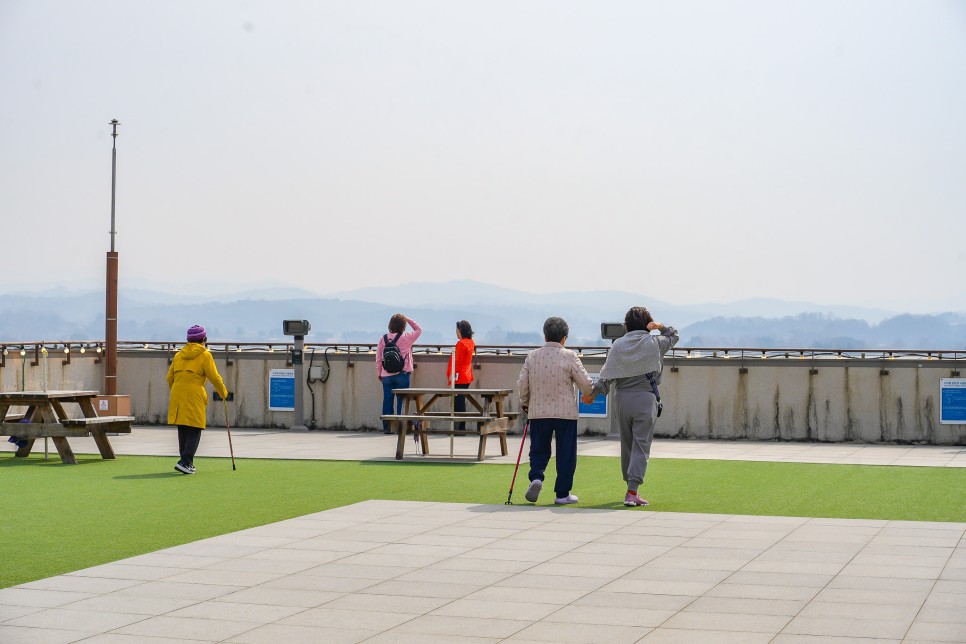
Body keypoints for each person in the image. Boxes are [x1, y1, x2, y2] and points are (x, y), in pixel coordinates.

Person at [583, 307, 679, 507]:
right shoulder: (655, 343)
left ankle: (630, 487)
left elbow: (605, 378)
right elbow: (673, 335)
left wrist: (591, 395)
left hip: (622, 400)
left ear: (625, 326)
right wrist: (659, 326)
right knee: (641, 446)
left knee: (626, 446)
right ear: (648, 324)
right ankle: (632, 491)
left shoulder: (618, 345)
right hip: (645, 399)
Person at [517, 316, 595, 505]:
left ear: (545, 336)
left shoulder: (532, 356)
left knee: (538, 450)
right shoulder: (569, 356)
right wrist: (588, 394)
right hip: (565, 413)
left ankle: (536, 477)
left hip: (538, 411)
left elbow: (522, 384)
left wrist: (525, 403)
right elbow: (586, 384)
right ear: (564, 338)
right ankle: (562, 494)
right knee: (565, 453)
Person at [166, 324, 228, 474]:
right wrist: (223, 393)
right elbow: (214, 377)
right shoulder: (205, 355)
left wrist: (177, 390)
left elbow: (169, 377)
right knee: (195, 427)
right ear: (204, 339)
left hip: (177, 392)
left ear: (188, 340)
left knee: (183, 426)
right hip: (194, 393)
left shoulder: (179, 355)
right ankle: (186, 461)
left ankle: (185, 461)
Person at [376, 314, 422, 433]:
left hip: (386, 375)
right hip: (403, 374)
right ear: (403, 326)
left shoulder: (383, 338)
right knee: (402, 401)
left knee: (387, 401)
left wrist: (379, 372)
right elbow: (419, 330)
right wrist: (407, 319)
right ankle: (401, 428)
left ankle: (387, 428)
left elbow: (378, 357)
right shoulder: (407, 338)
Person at [446, 320, 475, 431]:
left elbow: (456, 362)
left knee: (457, 403)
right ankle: (460, 427)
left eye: (457, 330)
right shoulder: (470, 342)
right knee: (461, 402)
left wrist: (451, 375)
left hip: (458, 377)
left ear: (461, 331)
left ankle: (458, 428)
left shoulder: (461, 344)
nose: (456, 333)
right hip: (466, 376)